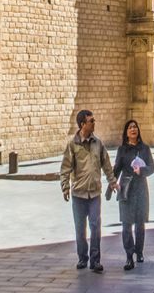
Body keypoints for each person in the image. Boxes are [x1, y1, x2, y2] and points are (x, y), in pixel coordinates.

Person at [60, 109, 117, 273]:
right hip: (78, 194)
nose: (94, 123)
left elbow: (106, 164)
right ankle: (82, 258)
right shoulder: (73, 144)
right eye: (91, 121)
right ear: (83, 124)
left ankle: (95, 260)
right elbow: (65, 168)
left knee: (95, 226)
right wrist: (65, 186)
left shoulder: (98, 143)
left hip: (94, 194)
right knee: (80, 228)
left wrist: (112, 181)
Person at [112, 119, 154, 270]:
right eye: (130, 128)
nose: (133, 129)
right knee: (126, 224)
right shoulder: (122, 150)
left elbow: (151, 168)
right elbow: (116, 169)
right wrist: (113, 183)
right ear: (126, 132)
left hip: (141, 188)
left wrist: (141, 171)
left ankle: (139, 251)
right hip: (126, 188)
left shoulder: (145, 148)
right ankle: (129, 255)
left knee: (140, 224)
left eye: (135, 127)